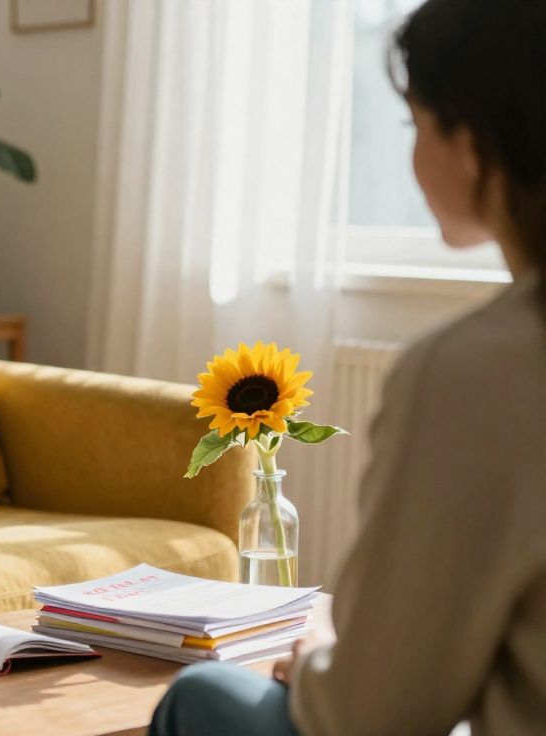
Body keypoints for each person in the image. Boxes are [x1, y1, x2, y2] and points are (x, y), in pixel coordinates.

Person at [148, 0, 546, 733]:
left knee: (205, 698)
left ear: (473, 140)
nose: (413, 151)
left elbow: (378, 711)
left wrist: (322, 659)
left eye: (414, 125)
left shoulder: (473, 373)